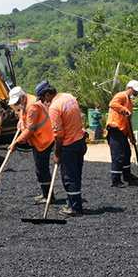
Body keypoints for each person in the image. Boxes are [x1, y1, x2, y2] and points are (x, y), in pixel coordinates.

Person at [36, 81, 87, 216]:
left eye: (42, 98)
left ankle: (75, 209)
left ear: (48, 94)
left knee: (69, 177)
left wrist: (57, 154)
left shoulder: (54, 108)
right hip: (80, 141)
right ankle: (72, 203)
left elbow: (58, 136)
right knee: (76, 175)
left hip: (68, 145)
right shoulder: (69, 97)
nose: (43, 102)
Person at [7, 86, 55, 204]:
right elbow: (23, 116)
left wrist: (16, 142)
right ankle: (45, 194)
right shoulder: (26, 101)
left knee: (42, 169)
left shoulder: (32, 106)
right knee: (39, 169)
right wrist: (20, 122)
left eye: (17, 102)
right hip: (38, 139)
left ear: (22, 98)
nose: (17, 104)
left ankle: (49, 197)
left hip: (43, 139)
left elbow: (30, 130)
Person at [107, 80, 138, 186]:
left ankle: (127, 176)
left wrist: (131, 137)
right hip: (115, 129)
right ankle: (116, 180)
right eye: (135, 91)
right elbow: (112, 104)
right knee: (118, 155)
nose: (136, 93)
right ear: (130, 88)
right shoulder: (121, 95)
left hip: (123, 131)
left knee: (127, 153)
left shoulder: (129, 102)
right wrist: (124, 109)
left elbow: (128, 121)